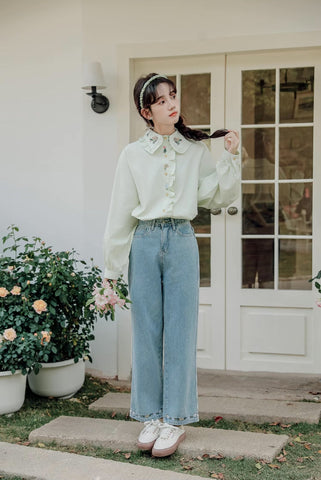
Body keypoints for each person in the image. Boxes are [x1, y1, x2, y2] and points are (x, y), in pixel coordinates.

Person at [103, 73, 240, 457]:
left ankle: (175, 420)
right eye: (161, 101)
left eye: (173, 97)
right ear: (146, 112)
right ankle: (150, 414)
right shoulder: (131, 155)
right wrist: (110, 271)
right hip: (143, 243)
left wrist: (230, 156)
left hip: (181, 239)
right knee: (146, 332)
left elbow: (216, 197)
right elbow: (119, 215)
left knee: (180, 330)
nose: (171, 104)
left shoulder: (195, 152)